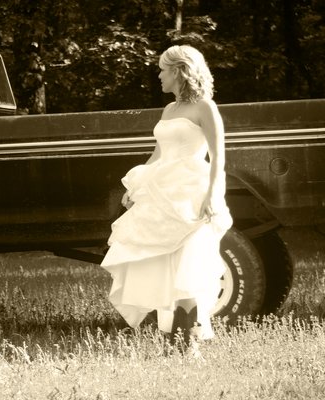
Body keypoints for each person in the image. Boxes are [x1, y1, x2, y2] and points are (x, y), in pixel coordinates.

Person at [101, 45, 232, 350]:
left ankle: (189, 345)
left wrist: (212, 195)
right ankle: (172, 342)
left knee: (188, 263)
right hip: (163, 191)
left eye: (162, 70)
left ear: (178, 71)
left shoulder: (205, 108)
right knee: (164, 264)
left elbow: (219, 157)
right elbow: (159, 155)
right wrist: (136, 187)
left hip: (190, 195)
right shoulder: (169, 110)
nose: (159, 76)